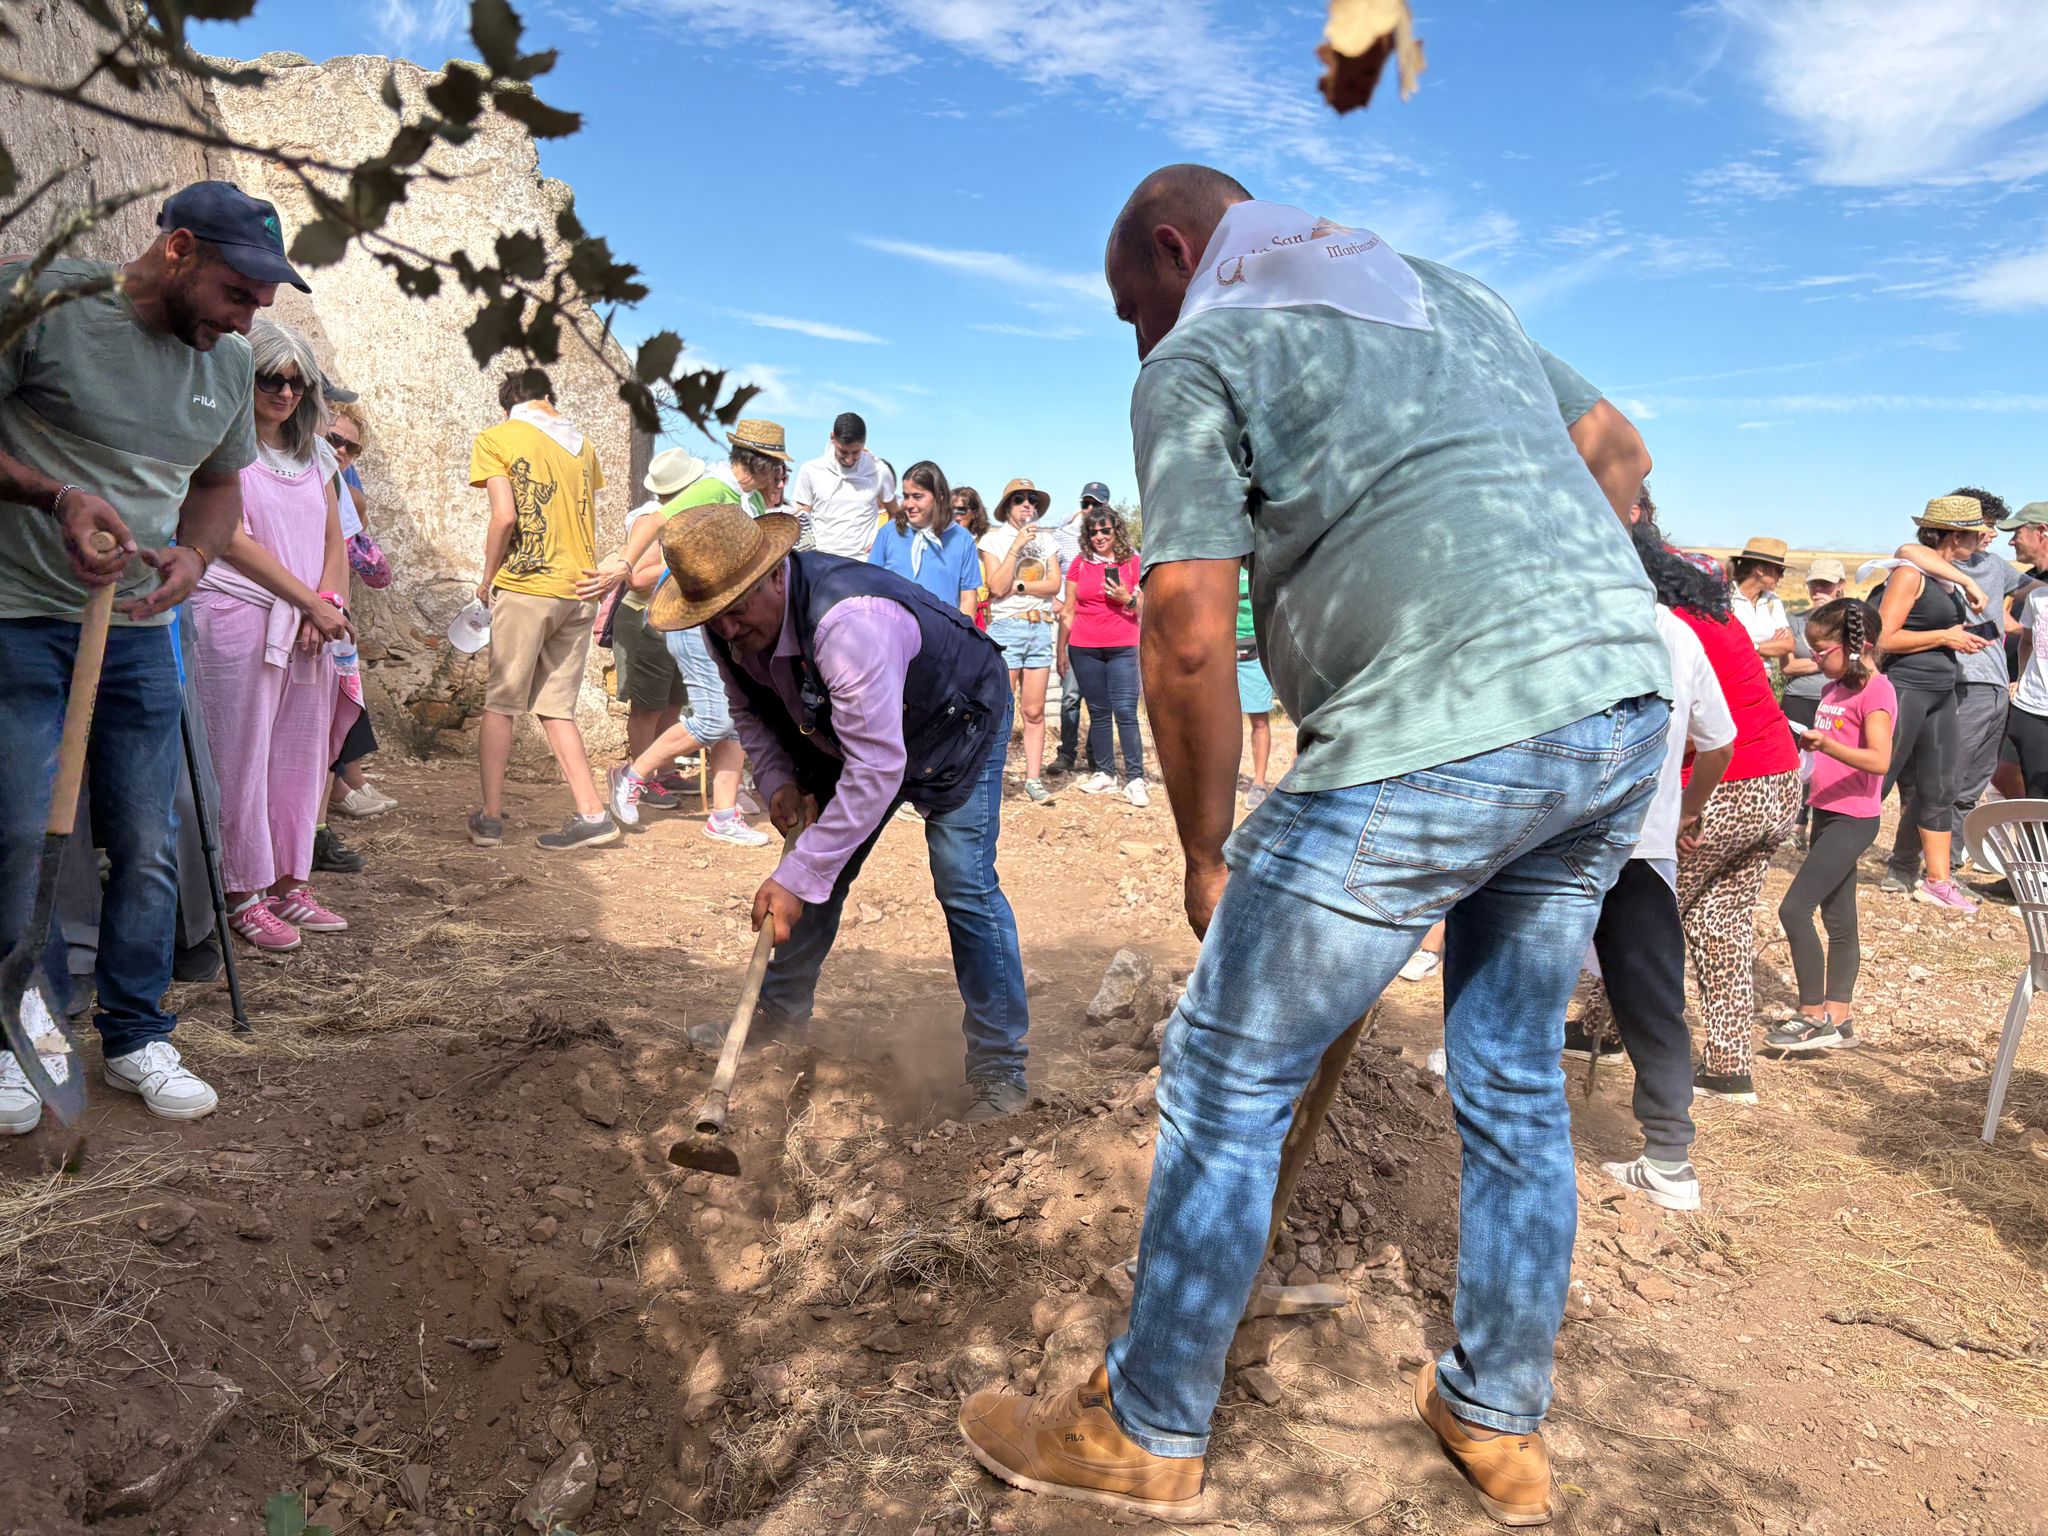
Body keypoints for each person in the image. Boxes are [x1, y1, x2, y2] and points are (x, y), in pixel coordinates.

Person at [957, 166, 1670, 1527]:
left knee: (1228, 1069)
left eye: (1131, 308)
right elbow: (1621, 454)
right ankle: (1497, 1417)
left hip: (1435, 726)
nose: (1138, 341)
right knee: (1512, 1076)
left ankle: (1149, 1428)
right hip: (1616, 709)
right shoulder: (1443, 293)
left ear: (1178, 251)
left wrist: (1205, 849)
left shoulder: (1203, 350)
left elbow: (1183, 627)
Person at [0, 179, 304, 1128]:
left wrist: (197, 557)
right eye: (236, 293)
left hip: (140, 632)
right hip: (18, 618)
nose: (246, 320)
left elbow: (217, 488)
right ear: (177, 249)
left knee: (149, 841)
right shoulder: (38, 304)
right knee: (21, 838)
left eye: (260, 301)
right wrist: (56, 497)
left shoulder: (229, 360)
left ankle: (136, 1034)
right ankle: (23, 1039)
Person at [647, 501, 1030, 1119]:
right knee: (815, 867)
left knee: (963, 882)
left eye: (737, 610)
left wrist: (799, 874)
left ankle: (1000, 1067)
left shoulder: (851, 624)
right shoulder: (727, 626)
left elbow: (877, 770)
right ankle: (777, 1021)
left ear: (775, 575)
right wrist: (778, 781)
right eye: (714, 617)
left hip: (955, 717)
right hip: (845, 729)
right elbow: (749, 711)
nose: (728, 629)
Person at [1575, 511, 1738, 1212]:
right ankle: (1670, 1156)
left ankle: (1477, 1094)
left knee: (1518, 970)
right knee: (1652, 997)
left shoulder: (1566, 619)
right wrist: (1687, 810)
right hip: (1641, 842)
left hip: (1553, 839)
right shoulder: (1677, 633)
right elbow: (1720, 742)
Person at [188, 316, 359, 955]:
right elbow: (228, 537)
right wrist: (308, 602)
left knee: (299, 756)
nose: (285, 393)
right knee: (241, 756)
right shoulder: (219, 444)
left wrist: (327, 604)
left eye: (296, 382)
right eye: (270, 379)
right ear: (244, 376)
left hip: (310, 624)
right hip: (239, 615)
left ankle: (290, 879)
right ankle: (242, 891)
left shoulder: (316, 455)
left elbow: (333, 539)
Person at [466, 368, 624, 851]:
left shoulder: (497, 437)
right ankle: (593, 814)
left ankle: (490, 819)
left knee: (501, 704)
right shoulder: (583, 444)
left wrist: (487, 579)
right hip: (579, 589)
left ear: (507, 406)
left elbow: (504, 516)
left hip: (527, 585)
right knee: (557, 709)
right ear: (549, 398)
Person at [606, 435, 791, 846]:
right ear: (760, 464)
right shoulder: (713, 487)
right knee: (713, 720)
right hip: (694, 618)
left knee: (737, 719)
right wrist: (623, 563)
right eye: (777, 467)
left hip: (726, 620)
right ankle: (632, 775)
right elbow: (654, 522)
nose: (781, 476)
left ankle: (723, 815)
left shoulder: (751, 500)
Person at [1767, 599, 1894, 1056]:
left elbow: (1879, 760)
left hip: (1854, 817)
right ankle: (1839, 1020)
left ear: (1858, 647)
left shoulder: (1877, 692)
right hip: (1825, 811)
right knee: (1839, 919)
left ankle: (1812, 1015)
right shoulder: (1832, 690)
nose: (1815, 659)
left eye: (1822, 651)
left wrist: (1826, 745)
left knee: (1794, 910)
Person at [1882, 488, 2022, 892]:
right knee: (1921, 779)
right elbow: (1908, 551)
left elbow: (2030, 588)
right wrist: (1950, 628)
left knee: (1959, 785)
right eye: (1982, 528)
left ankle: (1945, 868)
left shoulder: (1990, 566)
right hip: (1948, 685)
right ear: (1955, 533)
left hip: (1985, 685)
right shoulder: (1921, 568)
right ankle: (1900, 863)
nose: (1989, 535)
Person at [319, 398, 392, 875]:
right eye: (335, 440)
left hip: (323, 614)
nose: (342, 451)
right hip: (295, 611)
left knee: (330, 718)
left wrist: (332, 608)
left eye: (352, 447)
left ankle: (320, 823)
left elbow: (348, 551)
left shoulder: (339, 486)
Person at [609, 450, 702, 806]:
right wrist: (681, 561)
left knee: (672, 703)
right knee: (647, 708)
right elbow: (634, 578)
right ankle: (641, 780)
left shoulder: (679, 518)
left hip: (672, 623)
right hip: (645, 622)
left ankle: (665, 772)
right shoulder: (649, 521)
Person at [979, 479, 1064, 804]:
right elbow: (996, 587)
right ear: (1007, 507)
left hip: (1040, 627)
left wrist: (1021, 587)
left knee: (1034, 710)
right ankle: (990, 777)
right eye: (1019, 499)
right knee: (1000, 707)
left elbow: (1054, 584)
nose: (1027, 504)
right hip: (1007, 628)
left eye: (1032, 499)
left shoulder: (1047, 541)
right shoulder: (993, 540)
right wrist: (1016, 546)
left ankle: (1033, 779)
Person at [1060, 500, 1147, 804]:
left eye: (1105, 530)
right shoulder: (1080, 563)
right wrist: (1061, 651)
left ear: (1116, 531)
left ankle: (1135, 778)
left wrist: (1127, 598)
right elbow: (1068, 609)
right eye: (1093, 532)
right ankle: (1106, 774)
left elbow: (1147, 608)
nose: (1099, 536)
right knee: (1098, 713)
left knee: (1125, 712)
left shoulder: (1133, 562)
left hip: (1123, 646)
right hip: (1084, 647)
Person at [1779, 556, 1846, 846]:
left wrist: (1815, 662)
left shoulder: (1849, 622)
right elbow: (1787, 667)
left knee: (1827, 764)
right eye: (1814, 584)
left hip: (1835, 699)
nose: (1818, 590)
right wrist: (1828, 661)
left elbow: (1853, 663)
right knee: (1795, 762)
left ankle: (1822, 826)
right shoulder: (1796, 621)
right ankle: (1794, 824)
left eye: (1825, 584)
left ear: (1840, 586)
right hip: (1798, 698)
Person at [1050, 480, 1115, 777]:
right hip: (1073, 627)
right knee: (1070, 696)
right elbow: (1047, 567)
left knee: (1099, 699)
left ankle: (1095, 755)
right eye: (1085, 504)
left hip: (1105, 630)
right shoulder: (1063, 536)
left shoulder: (1116, 542)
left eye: (1095, 504)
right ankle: (1066, 753)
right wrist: (1053, 599)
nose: (1089, 509)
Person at [868, 460, 982, 617]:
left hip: (943, 630)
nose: (909, 504)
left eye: (917, 496)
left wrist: (963, 631)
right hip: (893, 628)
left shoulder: (962, 539)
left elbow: (968, 598)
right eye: (906, 496)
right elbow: (871, 586)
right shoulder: (888, 533)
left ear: (939, 497)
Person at [788, 411, 898, 558]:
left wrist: (881, 541)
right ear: (832, 438)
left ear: (864, 444)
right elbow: (802, 515)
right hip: (821, 561)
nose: (849, 459)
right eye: (843, 452)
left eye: (855, 452)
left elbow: (895, 513)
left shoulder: (880, 471)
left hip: (863, 561)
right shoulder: (810, 470)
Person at [1997, 504, 2048, 817]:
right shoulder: (2035, 592)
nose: (2011, 541)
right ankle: (2033, 844)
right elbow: (2028, 639)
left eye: (2017, 533)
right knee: (2031, 795)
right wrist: (2022, 680)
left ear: (2042, 532)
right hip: (2030, 709)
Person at [1234, 561, 1274, 811]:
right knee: (1219, 722)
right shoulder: (1220, 562)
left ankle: (1258, 784)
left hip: (1255, 650)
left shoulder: (1262, 564)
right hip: (1221, 650)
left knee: (1259, 721)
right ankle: (1220, 780)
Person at [1728, 537, 1793, 662]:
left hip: (1763, 674)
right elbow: (1727, 647)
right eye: (1779, 570)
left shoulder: (1772, 601)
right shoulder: (1726, 598)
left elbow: (1789, 644)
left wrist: (1753, 647)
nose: (1782, 576)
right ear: (1760, 570)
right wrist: (1769, 648)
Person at [951, 485, 993, 628]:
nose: (956, 516)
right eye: (951, 510)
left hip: (981, 616)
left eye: (961, 510)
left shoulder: (986, 542)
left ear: (974, 513)